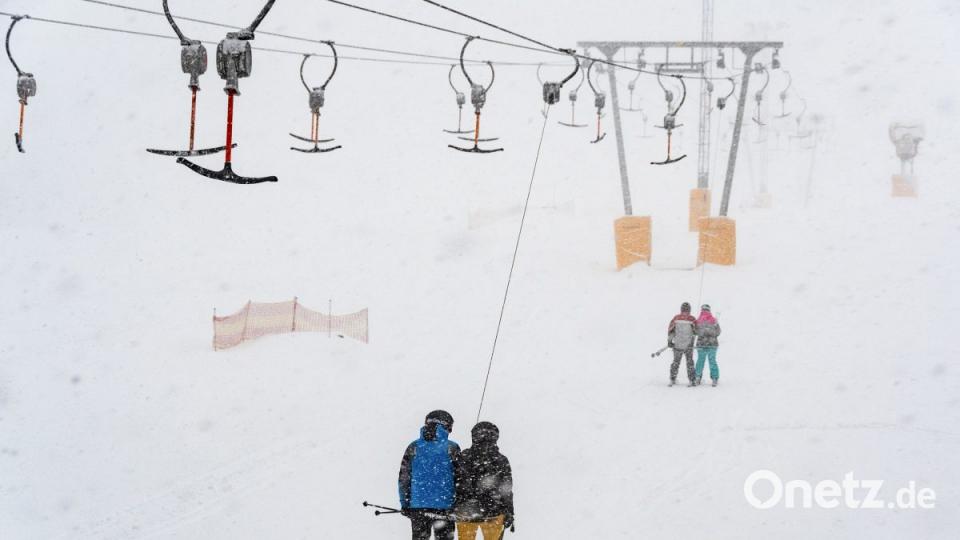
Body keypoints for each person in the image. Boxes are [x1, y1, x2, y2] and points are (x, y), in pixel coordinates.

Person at [399, 410, 461, 540]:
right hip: (445, 507)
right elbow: (459, 479)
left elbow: (404, 478)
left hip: (418, 507)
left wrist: (405, 504)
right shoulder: (452, 448)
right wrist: (459, 503)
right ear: (446, 425)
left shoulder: (413, 447)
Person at [456, 422, 515, 539]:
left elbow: (456, 483)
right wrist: (509, 511)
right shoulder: (501, 459)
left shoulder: (464, 456)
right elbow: (506, 490)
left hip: (466, 511)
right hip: (494, 512)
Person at [668, 302, 697, 387]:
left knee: (676, 362)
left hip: (677, 344)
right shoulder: (692, 319)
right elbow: (696, 331)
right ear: (689, 309)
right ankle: (692, 380)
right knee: (690, 363)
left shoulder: (676, 318)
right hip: (688, 345)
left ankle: (672, 379)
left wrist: (669, 341)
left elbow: (671, 330)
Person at [694, 304, 721, 386]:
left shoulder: (698, 320)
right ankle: (714, 378)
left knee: (700, 361)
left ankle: (697, 377)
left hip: (701, 344)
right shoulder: (714, 320)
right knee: (712, 361)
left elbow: (695, 332)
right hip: (712, 344)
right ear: (709, 310)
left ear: (702, 310)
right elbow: (718, 332)